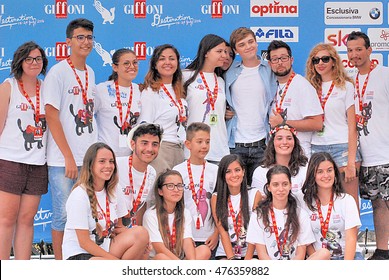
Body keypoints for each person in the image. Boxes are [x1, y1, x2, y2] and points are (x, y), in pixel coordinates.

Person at [43, 18, 98, 259]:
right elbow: (52, 116)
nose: (85, 42)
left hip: (87, 157)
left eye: (89, 37)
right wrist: (67, 156)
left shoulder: (91, 72)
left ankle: (80, 260)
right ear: (68, 42)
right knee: (63, 215)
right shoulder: (58, 72)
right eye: (80, 37)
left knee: (86, 215)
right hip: (62, 158)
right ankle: (60, 265)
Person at [0, 42, 48, 259]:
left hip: (38, 163)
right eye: (28, 59)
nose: (33, 63)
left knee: (27, 220)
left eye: (38, 59)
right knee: (6, 219)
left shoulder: (47, 87)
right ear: (20, 62)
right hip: (10, 161)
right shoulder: (8, 86)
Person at [62, 142, 150, 260]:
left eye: (111, 161)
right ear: (90, 165)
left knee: (141, 234)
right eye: (102, 161)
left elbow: (119, 228)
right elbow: (84, 242)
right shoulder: (79, 195)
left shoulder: (114, 189)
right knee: (103, 264)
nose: (108, 166)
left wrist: (143, 243)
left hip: (105, 247)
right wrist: (113, 260)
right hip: (79, 252)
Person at [347, 31, 389, 260]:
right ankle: (383, 250)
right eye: (350, 50)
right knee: (377, 204)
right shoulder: (349, 80)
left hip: (386, 152)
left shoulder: (384, 75)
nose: (354, 55)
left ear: (370, 50)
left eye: (359, 49)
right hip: (366, 155)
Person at [306, 43, 361, 208]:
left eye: (325, 59)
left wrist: (351, 162)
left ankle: (351, 235)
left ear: (333, 61)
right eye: (316, 60)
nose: (320, 63)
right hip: (316, 148)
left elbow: (353, 127)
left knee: (349, 202)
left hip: (342, 148)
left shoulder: (346, 86)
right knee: (322, 202)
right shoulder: (309, 88)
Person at [224, 27, 277, 186]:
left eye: (250, 41)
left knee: (261, 194)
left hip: (262, 144)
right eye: (242, 44)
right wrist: (223, 112)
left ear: (256, 42)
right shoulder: (229, 71)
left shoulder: (269, 69)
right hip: (235, 145)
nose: (248, 46)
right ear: (235, 50)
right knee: (235, 195)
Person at [246, 165, 330, 260]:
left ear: (290, 185)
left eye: (285, 184)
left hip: (294, 270)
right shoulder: (259, 214)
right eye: (275, 185)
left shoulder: (300, 214)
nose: (281, 189)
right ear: (269, 187)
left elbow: (300, 253)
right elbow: (262, 253)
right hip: (269, 269)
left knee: (324, 253)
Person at [300, 152, 363, 260]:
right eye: (320, 172)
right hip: (321, 259)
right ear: (312, 175)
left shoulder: (346, 200)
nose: (326, 175)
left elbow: (351, 238)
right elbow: (308, 242)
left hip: (348, 257)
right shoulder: (306, 203)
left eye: (329, 170)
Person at [267, 40, 323, 157]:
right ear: (270, 63)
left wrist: (283, 123)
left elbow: (317, 123)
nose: (280, 63)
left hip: (299, 155)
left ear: (291, 60)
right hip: (277, 154)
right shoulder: (270, 86)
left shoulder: (302, 85)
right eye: (275, 59)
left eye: (283, 58)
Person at [138, 44, 187, 176]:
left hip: (179, 150)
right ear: (154, 64)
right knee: (156, 195)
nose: (167, 62)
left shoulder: (179, 90)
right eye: (162, 59)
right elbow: (145, 126)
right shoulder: (150, 92)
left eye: (171, 58)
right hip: (161, 151)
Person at [173, 122, 219, 258]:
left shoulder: (215, 170)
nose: (204, 146)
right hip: (186, 236)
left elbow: (220, 206)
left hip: (209, 237)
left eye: (207, 141)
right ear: (188, 144)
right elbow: (175, 206)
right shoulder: (178, 171)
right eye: (199, 142)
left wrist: (217, 233)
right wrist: (182, 235)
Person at [143, 169, 211, 260]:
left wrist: (192, 262)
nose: (176, 190)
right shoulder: (150, 215)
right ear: (160, 191)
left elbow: (187, 241)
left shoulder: (185, 212)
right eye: (170, 186)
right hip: (159, 260)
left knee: (204, 250)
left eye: (179, 186)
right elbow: (159, 248)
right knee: (161, 257)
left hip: (179, 259)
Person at [183, 34, 229, 164]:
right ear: (206, 53)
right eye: (219, 51)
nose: (224, 55)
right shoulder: (186, 76)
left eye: (225, 52)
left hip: (219, 150)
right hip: (192, 150)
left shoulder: (221, 80)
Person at [211, 154, 262, 260]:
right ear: (222, 175)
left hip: (250, 252)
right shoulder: (216, 197)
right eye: (228, 171)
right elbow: (222, 230)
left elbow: (255, 230)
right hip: (226, 252)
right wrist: (231, 259)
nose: (234, 175)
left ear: (243, 172)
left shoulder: (255, 194)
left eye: (237, 170)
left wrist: (246, 260)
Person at [95, 48, 142, 158]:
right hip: (105, 156)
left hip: (131, 156)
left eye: (135, 62)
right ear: (115, 67)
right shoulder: (101, 90)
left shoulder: (140, 90)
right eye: (126, 63)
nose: (132, 66)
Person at [117, 123, 163, 227]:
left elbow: (142, 204)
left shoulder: (152, 172)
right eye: (144, 143)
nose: (150, 149)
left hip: (129, 229)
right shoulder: (116, 166)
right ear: (133, 144)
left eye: (155, 144)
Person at [251, 124, 308, 197]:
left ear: (295, 142)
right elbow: (259, 202)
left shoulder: (306, 168)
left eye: (289, 138)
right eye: (279, 138)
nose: (284, 142)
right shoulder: (260, 172)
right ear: (272, 142)